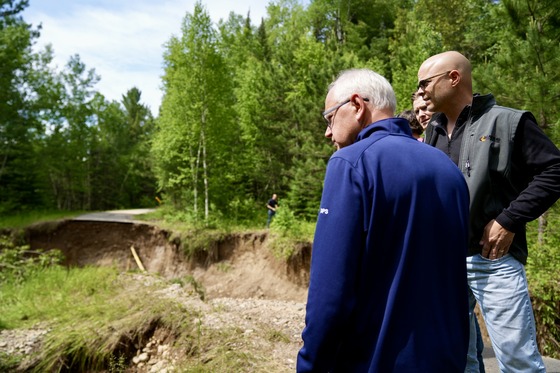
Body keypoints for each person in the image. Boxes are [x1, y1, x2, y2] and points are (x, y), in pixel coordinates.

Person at [297, 68, 471, 372]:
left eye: (329, 118)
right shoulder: (448, 170)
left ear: (356, 105)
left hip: (378, 360)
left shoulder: (350, 164)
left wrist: (310, 364)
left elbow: (330, 296)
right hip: (447, 358)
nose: (327, 132)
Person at [417, 51, 560, 373]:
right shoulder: (433, 131)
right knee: (460, 359)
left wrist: (509, 220)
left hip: (493, 260)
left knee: (518, 361)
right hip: (445, 265)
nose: (421, 91)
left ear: (453, 78)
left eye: (425, 83)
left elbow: (554, 171)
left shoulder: (509, 121)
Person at [412, 89, 486, 373]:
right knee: (462, 333)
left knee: (469, 338)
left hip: (476, 248)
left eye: (425, 108)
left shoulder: (461, 135)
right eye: (417, 110)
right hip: (442, 253)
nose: (422, 114)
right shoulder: (427, 141)